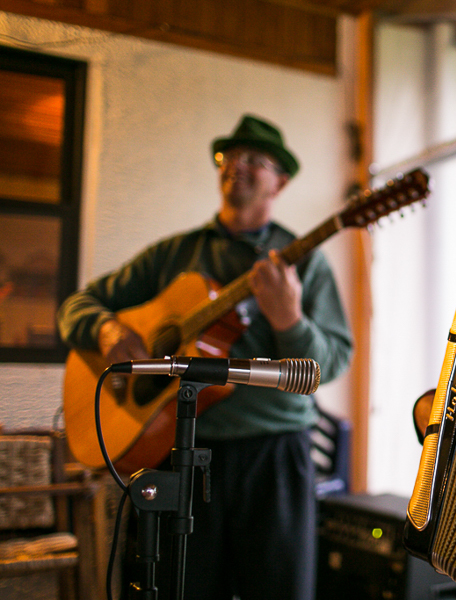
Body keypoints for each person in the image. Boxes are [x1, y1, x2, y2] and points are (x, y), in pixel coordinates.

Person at [57, 114, 353, 600]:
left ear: (280, 182)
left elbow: (331, 364)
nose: (238, 165)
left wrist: (290, 321)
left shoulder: (305, 261)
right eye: (229, 156)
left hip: (274, 459)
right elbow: (75, 305)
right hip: (180, 453)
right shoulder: (173, 255)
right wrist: (106, 329)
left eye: (255, 159)